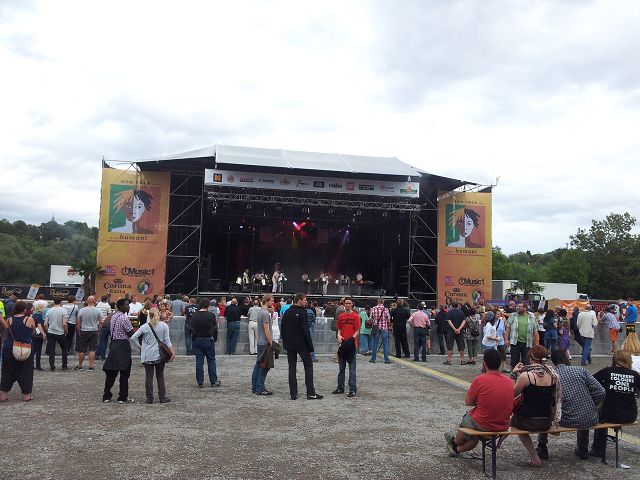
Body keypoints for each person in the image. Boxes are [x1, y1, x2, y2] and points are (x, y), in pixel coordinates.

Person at [536, 350, 605, 461]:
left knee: (545, 409)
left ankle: (542, 446)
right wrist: (593, 403)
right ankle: (583, 449)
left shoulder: (551, 375)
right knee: (583, 407)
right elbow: (601, 391)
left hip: (566, 420)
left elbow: (546, 399)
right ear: (565, 359)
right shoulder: (580, 370)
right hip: (590, 418)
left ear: (554, 361)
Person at [444, 349, 514, 457]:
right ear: (500, 363)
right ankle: (457, 449)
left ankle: (455, 442)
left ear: (484, 364)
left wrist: (480, 400)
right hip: (502, 425)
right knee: (474, 433)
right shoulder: (509, 381)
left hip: (483, 424)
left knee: (467, 420)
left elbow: (467, 402)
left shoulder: (480, 380)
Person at [511, 345, 561, 467]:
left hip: (528, 421)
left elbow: (512, 394)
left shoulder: (526, 376)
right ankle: (498, 442)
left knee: (513, 421)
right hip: (546, 421)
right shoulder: (553, 375)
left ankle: (535, 457)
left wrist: (514, 374)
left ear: (531, 358)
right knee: (538, 410)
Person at [589, 350, 640, 457]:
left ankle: (598, 449)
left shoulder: (607, 371)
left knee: (597, 416)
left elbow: (590, 381)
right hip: (630, 415)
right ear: (628, 360)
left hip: (609, 415)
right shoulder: (634, 374)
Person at [280, 293, 322, 400]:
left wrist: (285, 343)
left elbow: (283, 328)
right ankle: (310, 393)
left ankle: (293, 394)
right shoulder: (302, 313)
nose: (306, 302)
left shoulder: (287, 312)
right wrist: (310, 348)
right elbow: (306, 332)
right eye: (304, 300)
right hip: (302, 345)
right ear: (299, 301)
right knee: (308, 366)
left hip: (290, 345)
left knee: (292, 368)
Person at [131, 307, 175, 404]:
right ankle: (162, 397)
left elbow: (133, 337)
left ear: (149, 316)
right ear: (159, 314)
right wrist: (172, 352)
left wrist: (140, 347)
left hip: (148, 354)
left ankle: (149, 398)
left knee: (149, 376)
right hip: (160, 354)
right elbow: (167, 340)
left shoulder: (144, 327)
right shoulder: (164, 326)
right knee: (160, 375)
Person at [0, 301, 36, 402]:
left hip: (9, 347)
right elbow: (33, 332)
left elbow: (6, 331)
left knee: (7, 370)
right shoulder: (29, 319)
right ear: (25, 309)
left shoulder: (9, 319)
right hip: (25, 347)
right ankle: (26, 395)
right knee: (26, 371)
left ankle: (4, 395)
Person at [102, 299, 134, 403]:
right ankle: (122, 397)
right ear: (121, 307)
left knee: (111, 372)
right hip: (123, 345)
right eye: (126, 305)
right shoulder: (124, 318)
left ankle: (106, 395)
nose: (128, 306)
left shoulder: (113, 316)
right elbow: (131, 333)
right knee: (124, 372)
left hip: (114, 344)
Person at [190, 298, 220, 388]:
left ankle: (200, 382)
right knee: (211, 360)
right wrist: (214, 338)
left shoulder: (194, 315)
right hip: (208, 339)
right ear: (208, 306)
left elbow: (190, 328)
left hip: (197, 339)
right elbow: (215, 328)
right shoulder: (211, 315)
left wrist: (194, 337)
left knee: (199, 362)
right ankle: (213, 381)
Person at [333, 298, 360, 397]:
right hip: (343, 344)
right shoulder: (341, 316)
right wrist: (339, 336)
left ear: (352, 304)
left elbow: (357, 330)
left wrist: (352, 339)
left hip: (352, 345)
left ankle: (352, 389)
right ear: (344, 304)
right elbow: (339, 328)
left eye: (349, 303)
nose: (348, 305)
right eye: (346, 303)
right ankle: (340, 387)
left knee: (352, 369)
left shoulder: (356, 316)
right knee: (341, 368)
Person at [505, 303, 539, 374]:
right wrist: (506, 340)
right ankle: (513, 376)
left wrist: (536, 344)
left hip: (527, 343)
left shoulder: (532, 316)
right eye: (517, 306)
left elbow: (535, 331)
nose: (517, 307)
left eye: (520, 306)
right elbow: (508, 328)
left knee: (526, 362)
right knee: (514, 361)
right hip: (515, 342)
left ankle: (524, 377)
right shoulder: (513, 315)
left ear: (525, 308)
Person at [251, 295, 275, 396]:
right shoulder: (265, 314)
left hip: (260, 342)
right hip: (265, 343)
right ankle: (260, 388)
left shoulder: (262, 312)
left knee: (258, 364)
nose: (273, 303)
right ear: (267, 301)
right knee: (265, 366)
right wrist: (271, 343)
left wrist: (271, 313)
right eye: (271, 301)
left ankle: (255, 386)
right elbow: (267, 330)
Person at [74, 296, 102, 371]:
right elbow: (101, 322)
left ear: (87, 301)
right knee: (92, 349)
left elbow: (78, 322)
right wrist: (99, 330)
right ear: (94, 301)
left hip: (84, 331)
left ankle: (80, 366)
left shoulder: (82, 310)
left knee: (82, 349)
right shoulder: (98, 311)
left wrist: (79, 330)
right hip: (94, 331)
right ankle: (91, 366)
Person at [44, 297, 69, 371]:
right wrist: (66, 331)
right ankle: (64, 365)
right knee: (64, 349)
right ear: (60, 302)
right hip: (60, 332)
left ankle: (52, 366)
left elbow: (45, 324)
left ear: (54, 302)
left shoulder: (49, 310)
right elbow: (64, 324)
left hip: (51, 332)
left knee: (51, 350)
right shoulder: (64, 311)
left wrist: (48, 331)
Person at [370, 298, 391, 364]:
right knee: (385, 344)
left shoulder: (373, 309)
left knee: (375, 344)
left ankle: (373, 359)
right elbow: (388, 320)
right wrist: (388, 327)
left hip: (376, 328)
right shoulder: (386, 309)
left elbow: (371, 319)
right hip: (384, 328)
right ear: (383, 302)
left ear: (377, 302)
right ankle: (386, 359)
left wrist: (374, 324)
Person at [31, 303, 47, 371]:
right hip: (38, 335)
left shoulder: (33, 315)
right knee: (38, 351)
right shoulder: (39, 315)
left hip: (33, 334)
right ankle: (38, 366)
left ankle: (31, 365)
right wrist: (43, 334)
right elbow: (39, 325)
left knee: (33, 351)